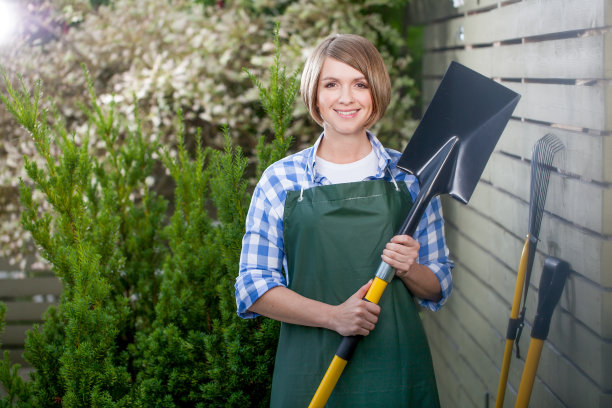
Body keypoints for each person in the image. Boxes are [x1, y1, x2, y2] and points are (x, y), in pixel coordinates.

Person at [235, 33, 453, 407]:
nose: (346, 98)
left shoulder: (413, 179)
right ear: (315, 94)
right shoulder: (281, 180)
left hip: (397, 371)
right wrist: (334, 316)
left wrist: (409, 268)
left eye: (360, 84)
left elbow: (438, 285)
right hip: (311, 370)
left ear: (377, 92)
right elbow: (252, 288)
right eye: (331, 84)